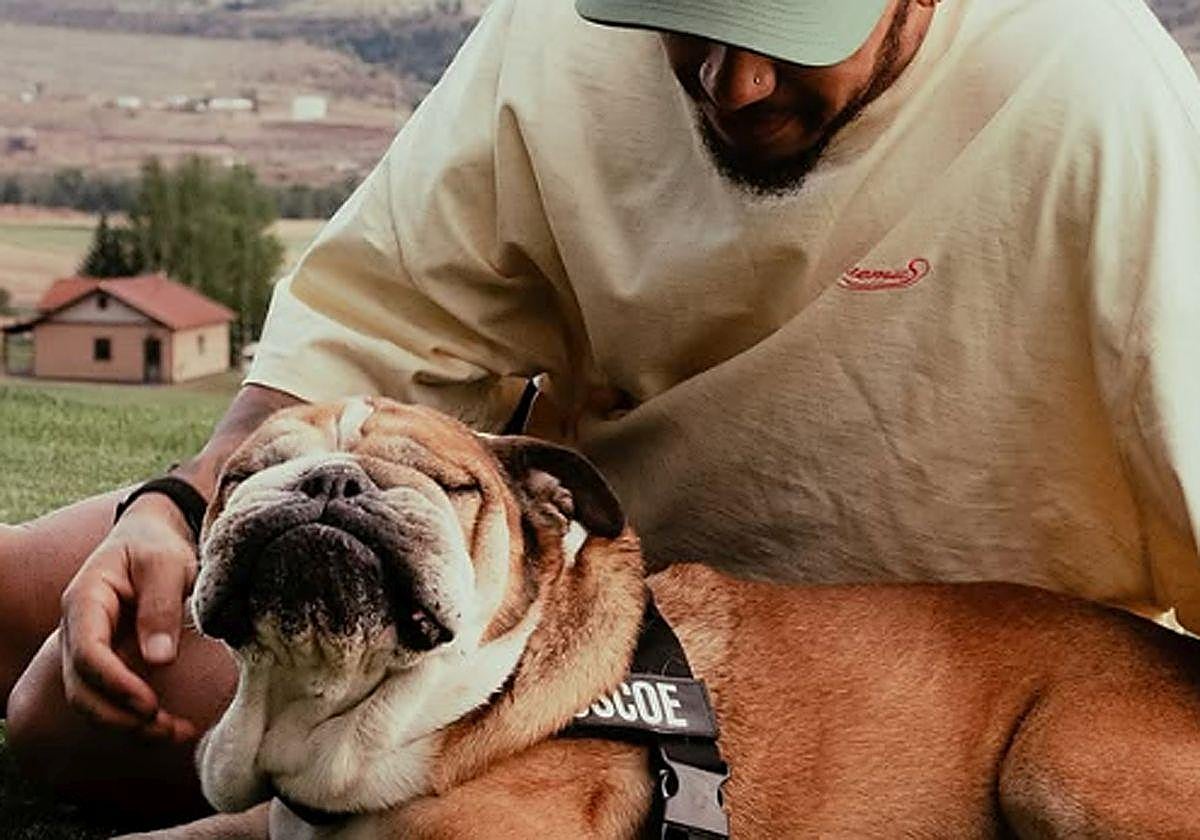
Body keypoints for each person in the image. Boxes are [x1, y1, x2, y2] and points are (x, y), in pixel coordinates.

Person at [3, 0, 1199, 823]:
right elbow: (366, 326)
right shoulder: (558, 32)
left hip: (899, 680)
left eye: (785, 33)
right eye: (688, 25)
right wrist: (173, 505)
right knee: (52, 589)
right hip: (573, 580)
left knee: (64, 714)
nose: (735, 82)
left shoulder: (1103, 108)